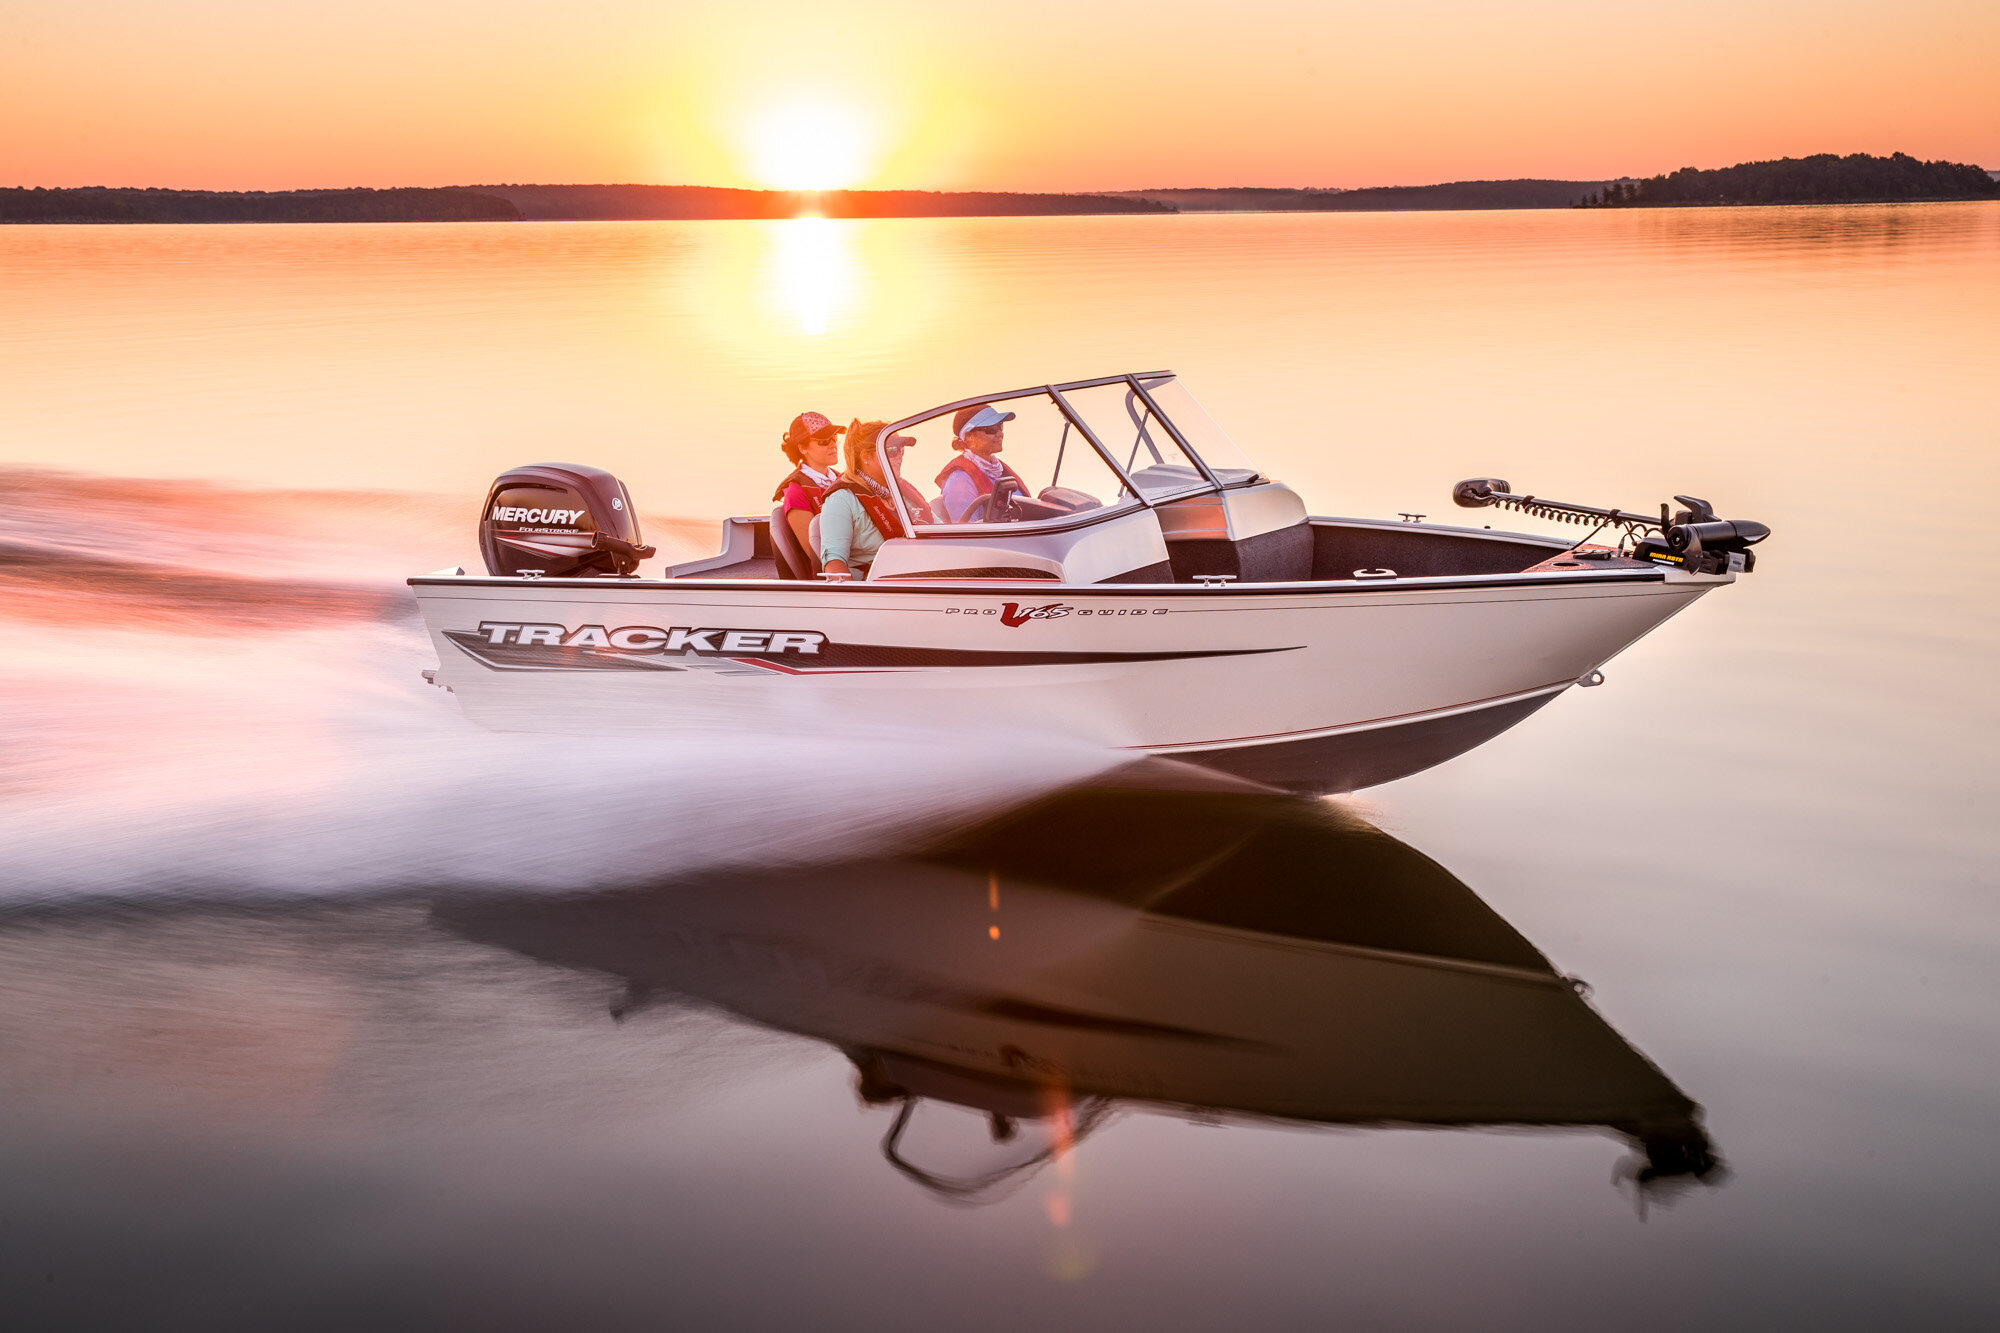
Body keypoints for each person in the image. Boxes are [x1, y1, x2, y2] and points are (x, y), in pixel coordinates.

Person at [820, 420, 918, 580]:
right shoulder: (841, 500)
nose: (899, 456)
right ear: (866, 457)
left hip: (921, 577)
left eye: (901, 450)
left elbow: (937, 530)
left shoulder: (902, 491)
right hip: (881, 590)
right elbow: (834, 566)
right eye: (892, 450)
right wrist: (857, 602)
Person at [773, 411, 844, 568]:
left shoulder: (843, 479)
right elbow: (813, 551)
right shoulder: (796, 492)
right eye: (824, 441)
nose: (833, 444)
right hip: (833, 575)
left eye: (834, 438)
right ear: (802, 448)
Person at [936, 403, 1026, 522]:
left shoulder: (999, 470)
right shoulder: (959, 480)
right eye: (991, 429)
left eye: (1000, 426)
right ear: (969, 437)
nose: (1000, 434)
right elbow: (967, 534)